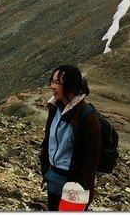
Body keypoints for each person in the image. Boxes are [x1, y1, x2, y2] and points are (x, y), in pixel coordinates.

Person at [39, 64, 101, 210]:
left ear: (70, 86)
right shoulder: (54, 108)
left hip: (73, 186)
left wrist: (80, 190)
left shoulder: (88, 117)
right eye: (52, 82)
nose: (52, 86)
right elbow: (48, 140)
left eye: (57, 83)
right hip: (53, 178)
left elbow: (91, 159)